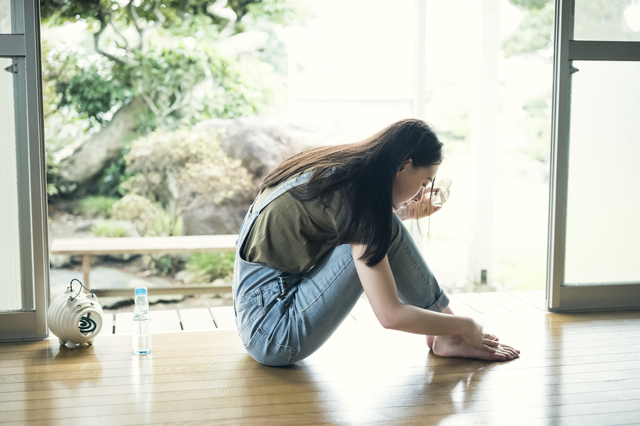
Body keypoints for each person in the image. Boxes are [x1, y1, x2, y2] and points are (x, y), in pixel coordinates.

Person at [232, 118, 520, 366]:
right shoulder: (359, 200)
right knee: (379, 221)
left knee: (382, 221)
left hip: (258, 315)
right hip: (274, 335)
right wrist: (469, 326)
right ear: (404, 164)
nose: (420, 194)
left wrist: (401, 212)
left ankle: (447, 335)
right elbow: (390, 315)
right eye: (422, 183)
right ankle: (452, 334)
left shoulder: (338, 170)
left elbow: (339, 220)